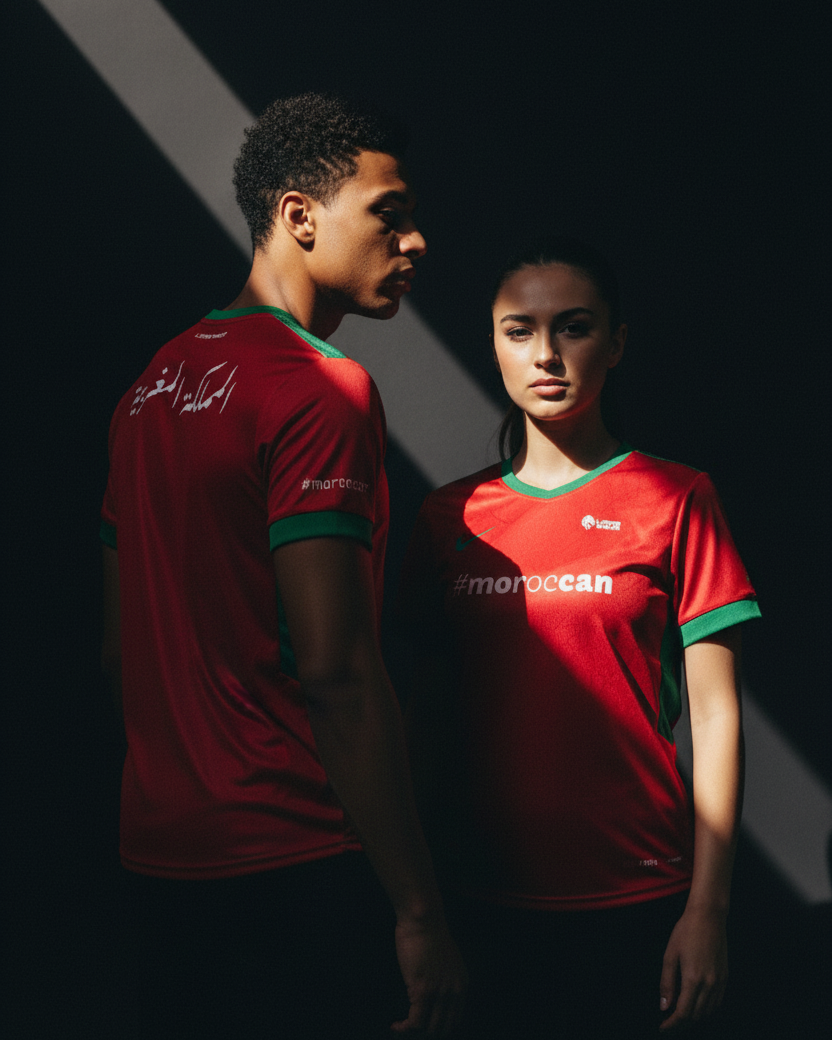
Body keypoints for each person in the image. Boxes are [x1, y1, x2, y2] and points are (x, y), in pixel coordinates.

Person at [100, 92, 465, 1040]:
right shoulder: (319, 389)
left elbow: (119, 651)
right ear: (300, 216)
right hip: (295, 863)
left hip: (160, 862)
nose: (416, 241)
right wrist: (419, 907)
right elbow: (337, 671)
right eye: (391, 213)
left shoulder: (146, 392)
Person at [399, 236, 760, 1038]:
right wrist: (411, 905)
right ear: (492, 344)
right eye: (518, 331)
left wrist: (709, 910)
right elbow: (421, 717)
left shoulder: (677, 498)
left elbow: (715, 718)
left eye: (575, 326)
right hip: (478, 903)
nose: (547, 354)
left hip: (638, 902)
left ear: (617, 341)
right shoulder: (448, 519)